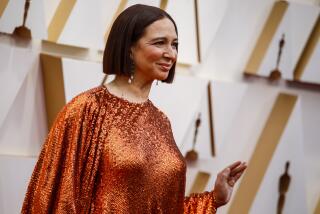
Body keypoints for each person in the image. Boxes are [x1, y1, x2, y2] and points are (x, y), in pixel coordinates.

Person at [21, 4, 246, 213]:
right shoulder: (86, 110)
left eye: (174, 44)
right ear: (129, 48)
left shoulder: (160, 120)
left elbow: (166, 208)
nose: (171, 54)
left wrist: (214, 198)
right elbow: (54, 201)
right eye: (159, 43)